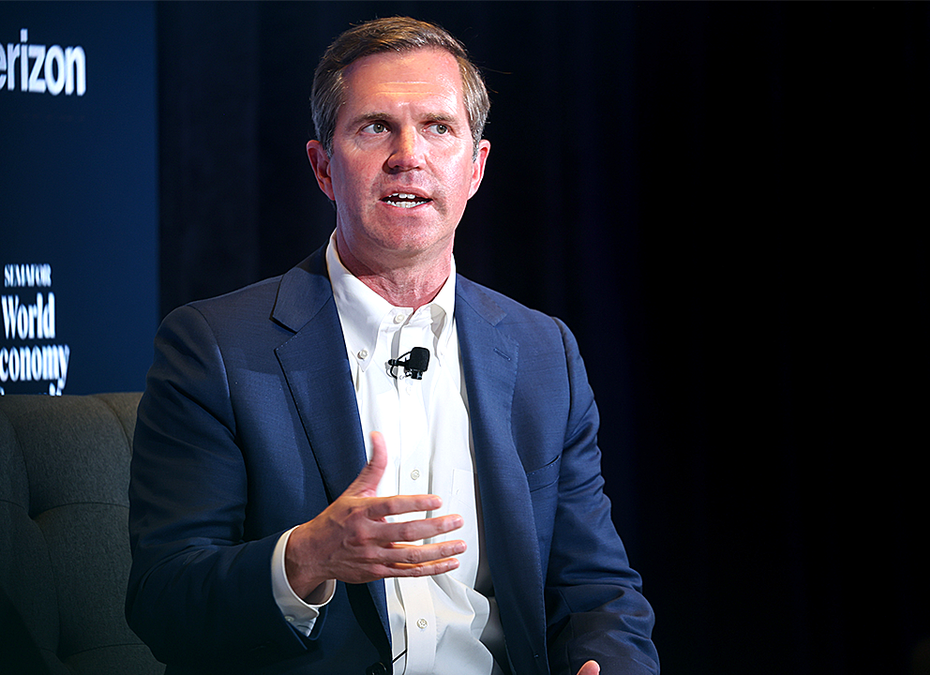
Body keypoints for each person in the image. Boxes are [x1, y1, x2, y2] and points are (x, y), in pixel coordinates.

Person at [126, 16, 659, 675]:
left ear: (475, 168)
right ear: (323, 168)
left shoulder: (544, 353)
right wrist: (306, 557)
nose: (410, 153)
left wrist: (611, 663)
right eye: (376, 126)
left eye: (438, 127)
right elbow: (163, 600)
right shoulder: (215, 347)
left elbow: (599, 591)